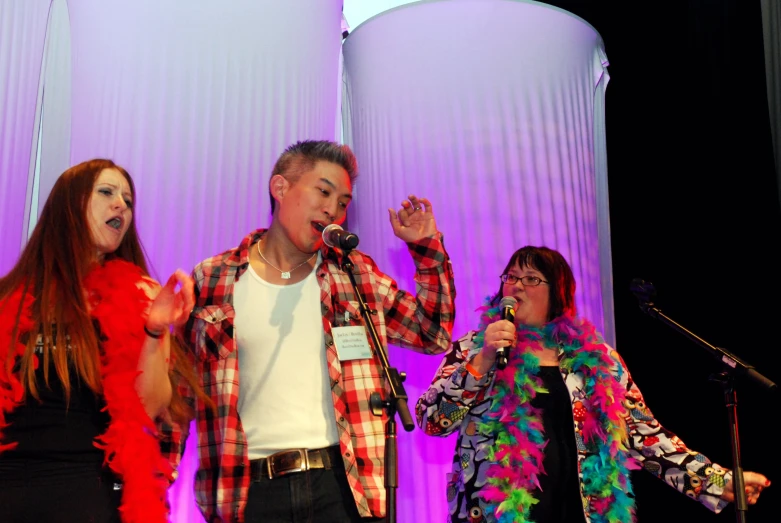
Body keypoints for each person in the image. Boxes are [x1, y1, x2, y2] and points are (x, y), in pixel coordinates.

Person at [160, 139, 456, 523]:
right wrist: (147, 485)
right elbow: (179, 397)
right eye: (323, 191)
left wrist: (426, 248)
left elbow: (433, 333)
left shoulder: (355, 274)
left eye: (344, 201)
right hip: (248, 493)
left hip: (344, 489)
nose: (334, 209)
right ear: (280, 188)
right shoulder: (212, 278)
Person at [416, 245, 771, 523]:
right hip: (497, 513)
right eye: (510, 277)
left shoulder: (598, 360)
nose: (516, 285)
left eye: (531, 278)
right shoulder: (474, 348)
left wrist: (715, 480)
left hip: (584, 511)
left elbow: (643, 436)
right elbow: (432, 420)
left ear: (559, 293)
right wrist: (481, 363)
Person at [0, 159, 202, 523]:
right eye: (107, 192)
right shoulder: (8, 299)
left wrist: (155, 331)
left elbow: (150, 407)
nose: (121, 205)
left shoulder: (143, 296)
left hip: (86, 492)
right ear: (69, 205)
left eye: (127, 199)